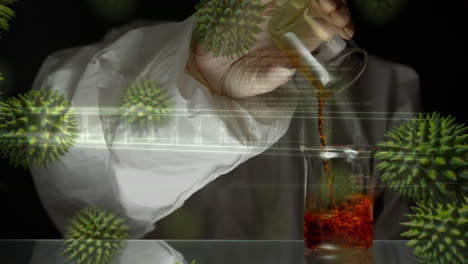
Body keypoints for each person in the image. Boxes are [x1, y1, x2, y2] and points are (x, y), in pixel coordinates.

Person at [31, 0, 420, 239]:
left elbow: (400, 244)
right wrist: (200, 78)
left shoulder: (387, 89)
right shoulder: (140, 58)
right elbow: (77, 174)